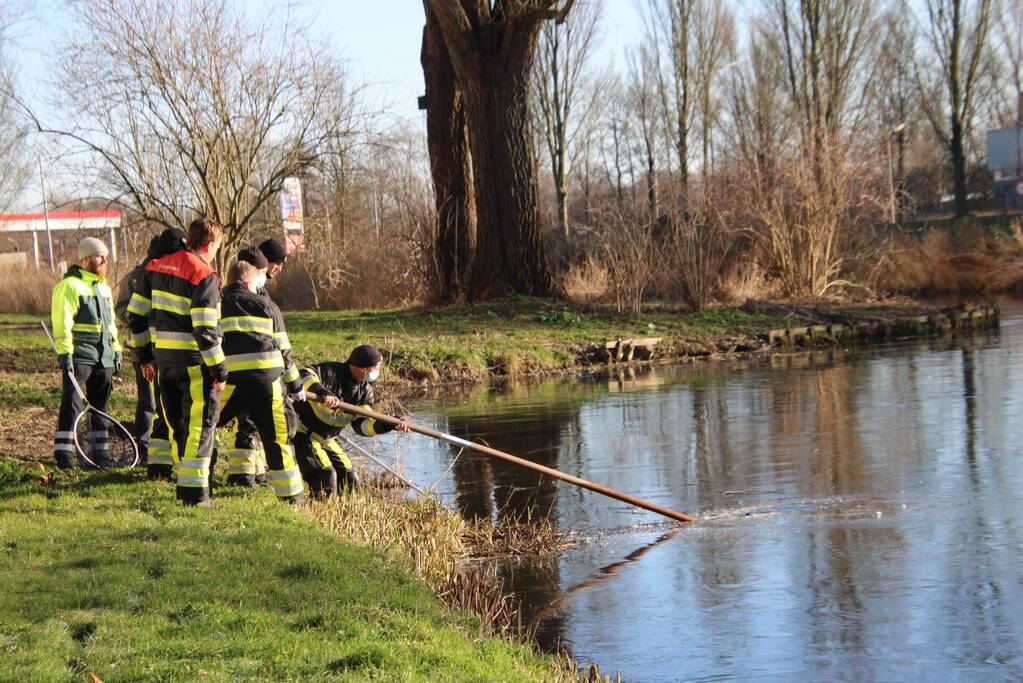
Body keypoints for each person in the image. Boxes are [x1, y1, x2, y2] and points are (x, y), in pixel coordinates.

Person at [127, 218, 227, 506]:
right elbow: (206, 330)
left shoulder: (153, 268)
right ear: (208, 245)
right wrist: (219, 368)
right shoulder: (204, 274)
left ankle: (185, 489)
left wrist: (145, 355)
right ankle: (195, 495)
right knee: (201, 425)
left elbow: (135, 315)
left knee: (176, 425)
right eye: (216, 248)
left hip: (164, 362)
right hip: (194, 364)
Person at [215, 255, 305, 502]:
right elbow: (285, 352)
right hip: (268, 383)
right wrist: (296, 387)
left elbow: (208, 342)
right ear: (248, 281)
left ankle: (199, 485)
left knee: (206, 426)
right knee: (278, 440)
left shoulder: (216, 304)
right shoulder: (269, 307)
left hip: (229, 383)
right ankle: (292, 499)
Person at [291, 344, 410, 498]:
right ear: (363, 368)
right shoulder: (331, 372)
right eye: (376, 367)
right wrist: (321, 391)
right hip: (302, 433)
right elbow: (303, 375)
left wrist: (388, 424)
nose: (378, 372)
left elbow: (363, 426)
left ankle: (342, 514)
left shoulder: (365, 392)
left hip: (327, 438)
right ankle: (321, 516)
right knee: (325, 475)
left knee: (349, 478)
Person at [114, 228, 186, 478]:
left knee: (162, 407)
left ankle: (158, 463)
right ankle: (149, 453)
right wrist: (144, 355)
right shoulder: (139, 277)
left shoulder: (171, 274)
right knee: (153, 404)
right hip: (151, 350)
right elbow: (130, 313)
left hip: (162, 350)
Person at [50, 237, 122, 469]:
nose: (105, 260)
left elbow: (111, 325)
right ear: (86, 258)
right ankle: (65, 456)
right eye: (100, 256)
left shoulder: (104, 288)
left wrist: (116, 350)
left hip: (104, 357)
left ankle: (98, 456)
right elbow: (62, 324)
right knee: (72, 405)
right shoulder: (69, 286)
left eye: (106, 256)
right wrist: (65, 354)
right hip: (80, 355)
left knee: (100, 408)